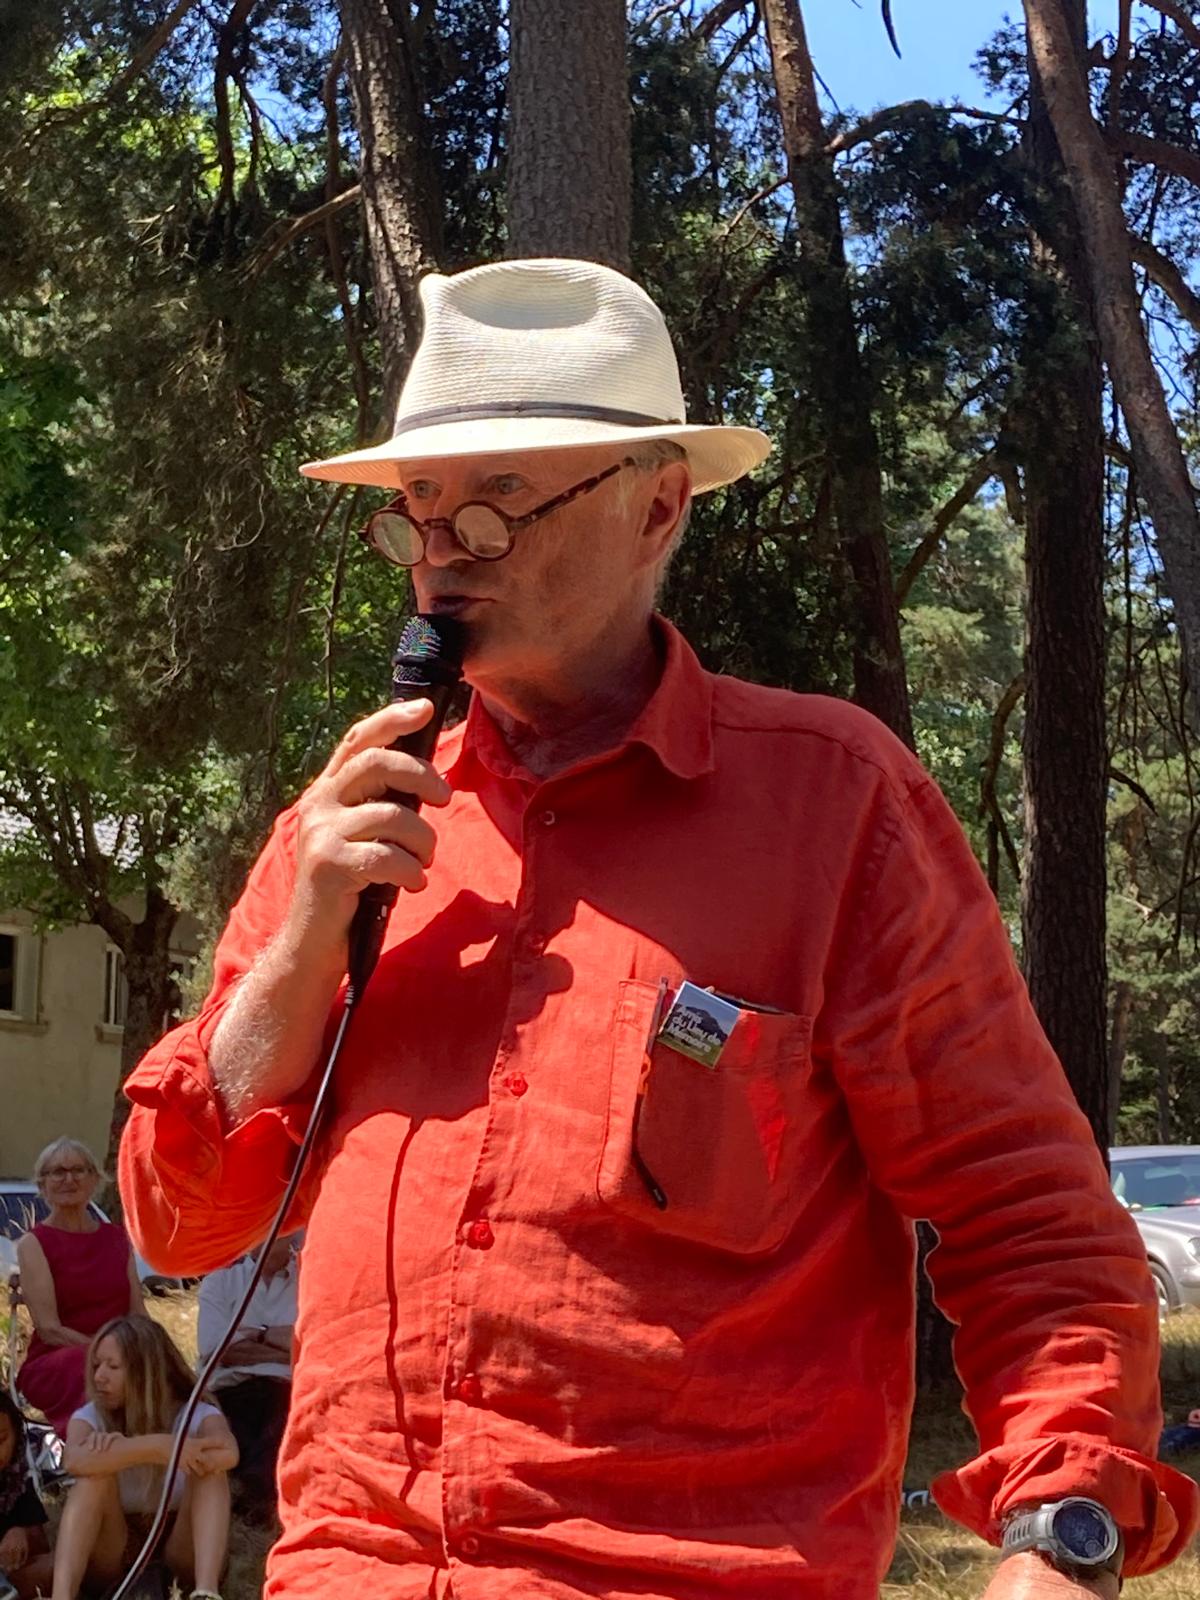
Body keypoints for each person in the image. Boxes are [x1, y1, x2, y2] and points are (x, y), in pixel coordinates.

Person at [118, 257, 1200, 1599]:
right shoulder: (345, 829)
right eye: (419, 510)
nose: (444, 551)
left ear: (657, 506)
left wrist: (1063, 1527)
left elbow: (1024, 1212)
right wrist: (300, 953)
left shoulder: (833, 808)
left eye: (498, 502)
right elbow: (177, 1225)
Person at [50, 1316, 237, 1600]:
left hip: (181, 1544)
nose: (99, 1376)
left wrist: (121, 1451)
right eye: (97, 1365)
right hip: (114, 1546)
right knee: (92, 1479)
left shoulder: (196, 1414)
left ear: (148, 1371)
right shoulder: (91, 1417)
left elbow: (228, 1452)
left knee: (209, 1472)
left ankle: (206, 1592)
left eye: (113, 1367)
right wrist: (157, 1448)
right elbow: (74, 1460)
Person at [17, 1139, 143, 1436]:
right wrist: (107, 1354)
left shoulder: (117, 1239)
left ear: (95, 1179)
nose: (69, 1179)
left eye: (78, 1170)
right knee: (95, 1367)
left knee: (165, 1367)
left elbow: (138, 1313)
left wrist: (153, 1350)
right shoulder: (34, 1243)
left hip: (120, 1356)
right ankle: (95, 1450)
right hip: (60, 1360)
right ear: (43, 1184)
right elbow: (50, 1329)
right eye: (58, 1172)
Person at [196, 1233, 299, 1521]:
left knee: (282, 1421)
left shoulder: (308, 1282)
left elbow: (313, 1345)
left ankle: (250, 1494)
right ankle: (254, 1494)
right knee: (234, 1425)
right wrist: (283, 1343)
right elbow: (217, 1349)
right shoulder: (220, 1282)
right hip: (231, 1388)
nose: (267, 1237)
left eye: (277, 1228)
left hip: (287, 1389)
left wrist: (256, 1333)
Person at [0, 1394, 53, 1600]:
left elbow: (42, 1547)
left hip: (9, 1581)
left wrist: (22, 1535)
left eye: (1, 1439)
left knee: (60, 1566)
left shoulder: (16, 1481)